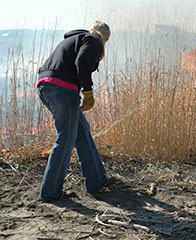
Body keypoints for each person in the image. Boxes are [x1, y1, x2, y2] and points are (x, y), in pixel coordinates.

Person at [37, 21, 114, 201]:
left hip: (45, 86)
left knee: (81, 131)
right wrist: (88, 90)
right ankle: (50, 192)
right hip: (62, 90)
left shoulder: (76, 39)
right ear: (106, 38)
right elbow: (82, 61)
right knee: (65, 139)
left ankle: (97, 182)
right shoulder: (94, 40)